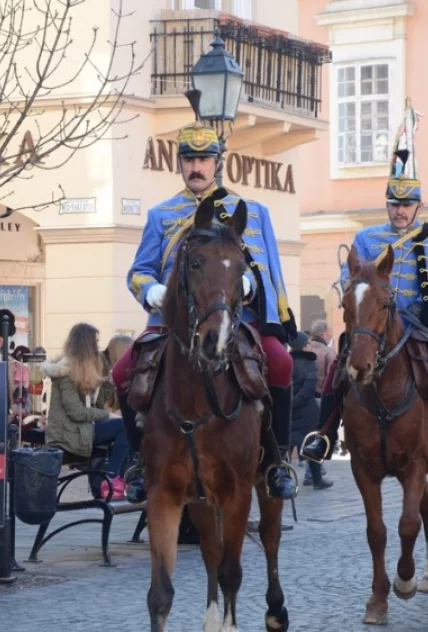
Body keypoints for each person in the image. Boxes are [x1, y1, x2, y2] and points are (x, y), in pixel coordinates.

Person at [112, 121, 300, 502]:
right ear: (179, 165)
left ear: (218, 163)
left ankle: (277, 459)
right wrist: (155, 292)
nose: (196, 167)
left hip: (237, 319)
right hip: (172, 323)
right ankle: (137, 461)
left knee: (281, 363)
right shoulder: (161, 215)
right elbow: (138, 273)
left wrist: (250, 286)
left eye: (204, 159)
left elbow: (269, 269)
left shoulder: (251, 212)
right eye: (189, 160)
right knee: (121, 373)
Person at [302, 100, 428, 470]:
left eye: (407, 204)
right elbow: (349, 279)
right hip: (376, 321)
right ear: (387, 205)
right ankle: (323, 433)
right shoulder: (367, 238)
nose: (400, 211)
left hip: (423, 324)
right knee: (340, 370)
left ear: (419, 206)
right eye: (394, 204)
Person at [43, 323, 129, 499]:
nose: (98, 346)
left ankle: (111, 478)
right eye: (94, 342)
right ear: (85, 345)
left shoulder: (85, 370)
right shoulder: (65, 373)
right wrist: (107, 415)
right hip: (70, 433)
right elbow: (77, 412)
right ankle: (111, 478)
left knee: (125, 425)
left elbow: (97, 404)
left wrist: (107, 383)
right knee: (124, 427)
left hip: (83, 428)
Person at [288, 332, 331, 489]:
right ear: (304, 346)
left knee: (285, 448)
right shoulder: (310, 364)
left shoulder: (286, 362)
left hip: (289, 412)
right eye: (308, 343)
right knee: (311, 447)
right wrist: (295, 402)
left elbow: (286, 386)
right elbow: (308, 390)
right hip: (307, 412)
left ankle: (283, 479)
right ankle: (317, 480)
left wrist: (288, 404)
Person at [308, 319, 337, 398]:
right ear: (323, 334)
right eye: (330, 332)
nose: (331, 335)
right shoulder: (329, 352)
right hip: (320, 397)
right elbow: (332, 379)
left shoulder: (303, 348)